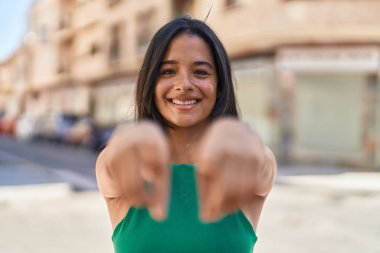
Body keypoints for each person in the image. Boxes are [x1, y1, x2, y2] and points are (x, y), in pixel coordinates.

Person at [96, 16, 277, 253]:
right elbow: (110, 166)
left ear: (220, 85)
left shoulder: (245, 162)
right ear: (150, 82)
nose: (184, 84)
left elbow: (263, 166)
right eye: (168, 71)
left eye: (201, 72)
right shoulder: (124, 163)